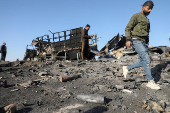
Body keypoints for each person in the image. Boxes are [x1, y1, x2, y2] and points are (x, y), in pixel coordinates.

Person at [123, 1, 160, 90]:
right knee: (146, 60)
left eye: (151, 9)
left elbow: (147, 33)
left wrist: (147, 42)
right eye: (148, 8)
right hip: (136, 40)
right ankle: (150, 81)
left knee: (145, 61)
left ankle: (127, 68)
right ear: (143, 7)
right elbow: (128, 28)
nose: (150, 10)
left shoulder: (147, 20)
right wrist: (128, 39)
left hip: (144, 42)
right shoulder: (136, 16)